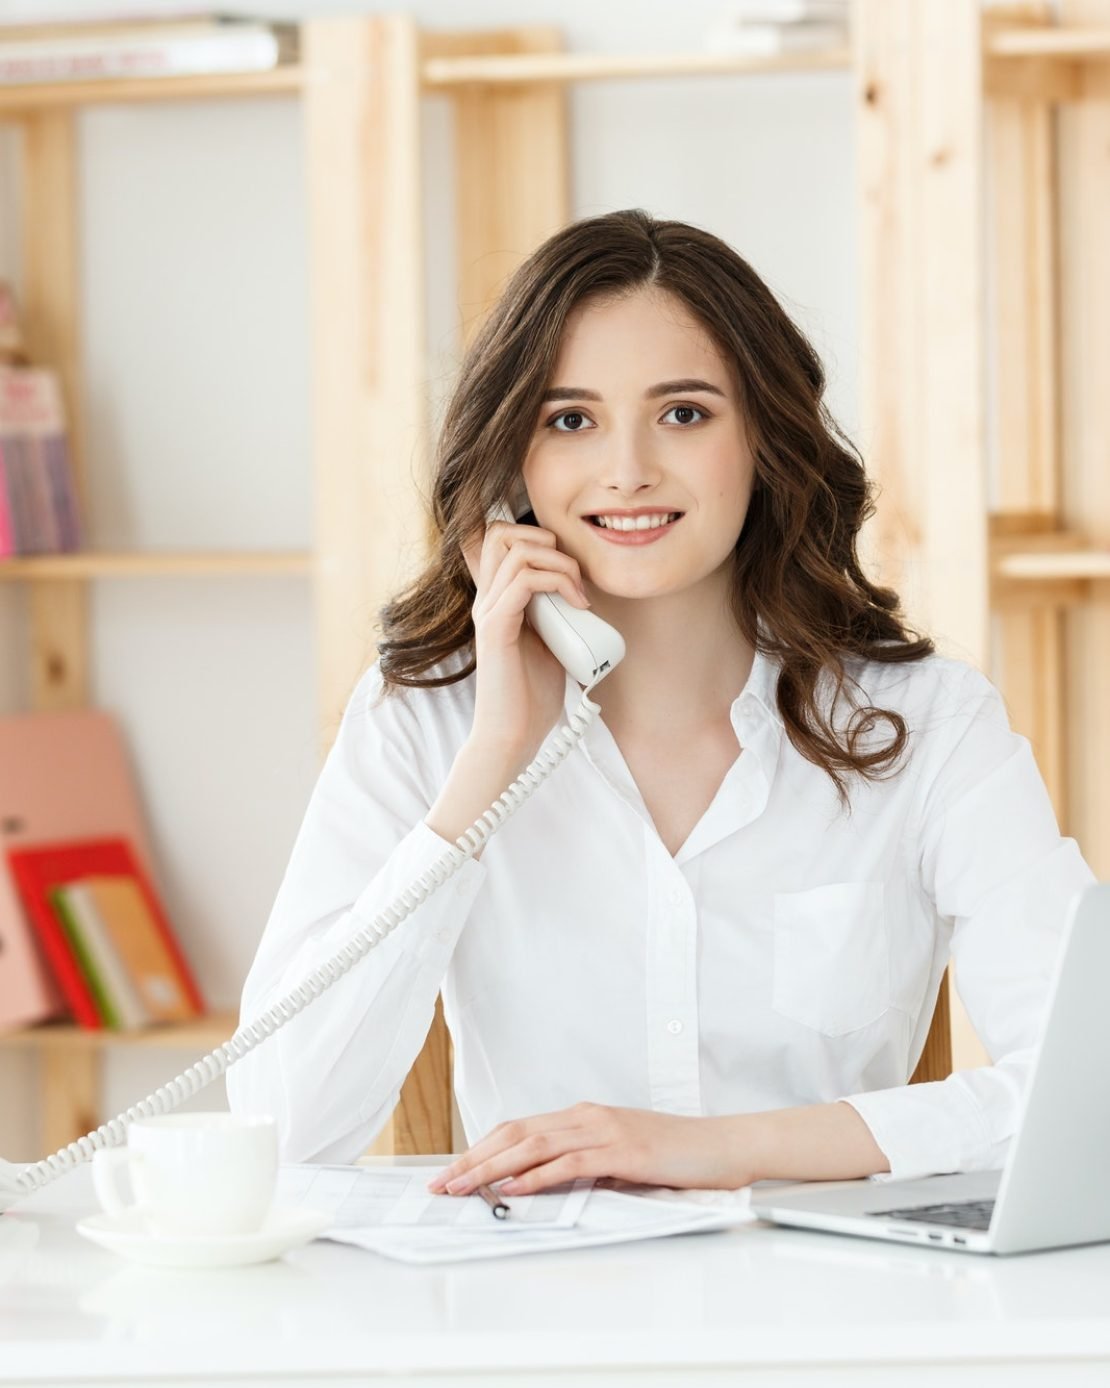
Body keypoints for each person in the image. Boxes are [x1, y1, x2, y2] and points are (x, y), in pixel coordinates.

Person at [227, 208, 1095, 1198]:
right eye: (570, 419)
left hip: (829, 1320)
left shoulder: (929, 724)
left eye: (683, 413)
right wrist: (492, 760)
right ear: (510, 469)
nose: (628, 468)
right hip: (539, 1323)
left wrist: (715, 1148)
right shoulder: (421, 721)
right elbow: (276, 1126)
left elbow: (1084, 1090)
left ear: (764, 437)